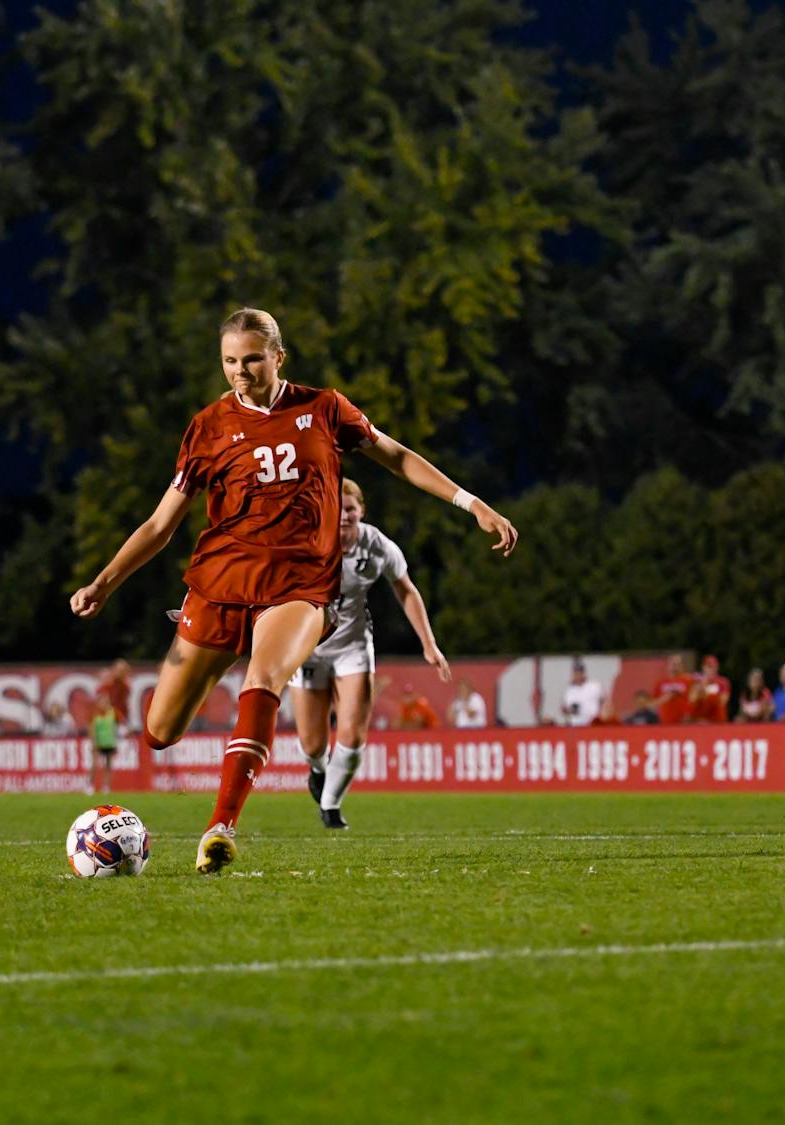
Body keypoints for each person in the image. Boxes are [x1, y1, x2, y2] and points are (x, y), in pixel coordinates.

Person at [70, 308, 517, 874]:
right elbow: (161, 524)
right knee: (160, 732)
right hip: (219, 585)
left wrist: (471, 504)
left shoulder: (324, 408)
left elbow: (396, 456)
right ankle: (207, 674)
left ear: (279, 357)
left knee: (264, 681)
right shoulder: (208, 426)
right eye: (230, 361)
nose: (241, 371)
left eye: (252, 359)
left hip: (300, 586)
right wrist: (104, 581)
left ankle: (220, 829)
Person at [291, 477, 450, 829]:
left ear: (361, 511)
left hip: (353, 645)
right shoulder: (304, 541)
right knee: (312, 744)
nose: (344, 515)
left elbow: (405, 589)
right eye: (338, 508)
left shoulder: (376, 545)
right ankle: (318, 769)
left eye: (351, 508)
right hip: (307, 648)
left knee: (352, 735)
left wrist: (428, 643)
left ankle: (331, 807)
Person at [648, 653, 695, 724]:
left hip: (684, 723)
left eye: (678, 664)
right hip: (666, 723)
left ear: (682, 666)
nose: (675, 667)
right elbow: (651, 705)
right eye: (673, 664)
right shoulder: (661, 683)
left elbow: (694, 700)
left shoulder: (688, 681)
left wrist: (689, 714)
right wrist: (665, 698)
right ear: (668, 666)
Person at [560, 659, 607, 726]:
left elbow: (605, 701)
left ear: (584, 673)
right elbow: (564, 708)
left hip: (593, 724)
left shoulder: (594, 686)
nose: (578, 675)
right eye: (576, 672)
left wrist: (602, 714)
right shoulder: (569, 690)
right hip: (576, 724)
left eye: (580, 672)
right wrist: (569, 710)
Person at [89, 697, 119, 793]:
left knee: (108, 766)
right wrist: (94, 743)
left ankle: (106, 786)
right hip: (99, 743)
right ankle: (90, 786)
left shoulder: (113, 713)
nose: (104, 705)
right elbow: (92, 729)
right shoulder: (95, 714)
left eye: (106, 702)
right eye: (102, 702)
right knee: (94, 765)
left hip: (109, 742)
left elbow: (118, 725)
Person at [689, 654, 731, 722]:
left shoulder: (723, 681)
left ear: (717, 667)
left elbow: (723, 701)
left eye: (713, 667)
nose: (711, 669)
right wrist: (702, 686)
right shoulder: (698, 682)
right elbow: (692, 700)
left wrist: (705, 693)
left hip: (717, 719)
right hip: (700, 720)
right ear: (703, 667)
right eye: (708, 667)